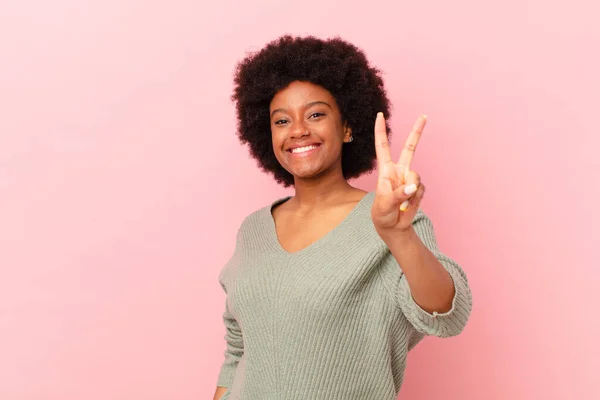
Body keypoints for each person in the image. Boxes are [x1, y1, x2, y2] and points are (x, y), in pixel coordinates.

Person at [212, 35, 472, 400]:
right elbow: (238, 351)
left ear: (347, 127)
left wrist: (397, 235)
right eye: (281, 120)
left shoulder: (390, 219)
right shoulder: (253, 229)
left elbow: (447, 314)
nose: (298, 130)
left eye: (316, 114)